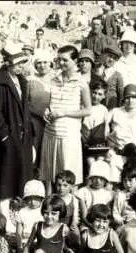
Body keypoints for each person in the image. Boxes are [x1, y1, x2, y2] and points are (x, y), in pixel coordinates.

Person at [0, 42, 34, 233]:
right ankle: (4, 218)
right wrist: (5, 137)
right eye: (17, 64)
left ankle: (18, 216)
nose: (21, 67)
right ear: (7, 64)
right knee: (5, 176)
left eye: (23, 63)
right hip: (8, 138)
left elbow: (25, 109)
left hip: (21, 136)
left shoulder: (20, 81)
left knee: (19, 173)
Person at [41, 45, 92, 191]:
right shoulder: (53, 79)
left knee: (69, 174)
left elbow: (87, 110)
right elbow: (51, 102)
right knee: (49, 174)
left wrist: (64, 113)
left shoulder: (81, 82)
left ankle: (71, 209)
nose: (61, 63)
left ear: (75, 60)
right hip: (50, 132)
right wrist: (46, 110)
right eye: (59, 60)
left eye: (65, 60)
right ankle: (49, 205)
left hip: (68, 134)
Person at [27, 49, 54, 172]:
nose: (42, 65)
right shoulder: (30, 80)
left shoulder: (56, 80)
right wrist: (38, 113)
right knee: (34, 149)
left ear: (50, 64)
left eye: (45, 62)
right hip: (34, 121)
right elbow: (25, 103)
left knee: (49, 151)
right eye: (39, 62)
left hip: (52, 121)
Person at [15, 180, 45, 250]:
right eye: (29, 198)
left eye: (36, 198)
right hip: (25, 242)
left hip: (40, 243)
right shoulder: (22, 212)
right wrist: (19, 246)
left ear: (41, 198)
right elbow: (18, 232)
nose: (32, 202)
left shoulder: (44, 211)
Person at [114, 29, 136, 96]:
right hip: (121, 97)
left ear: (135, 45)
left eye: (131, 43)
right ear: (122, 44)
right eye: (126, 43)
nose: (128, 46)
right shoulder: (116, 62)